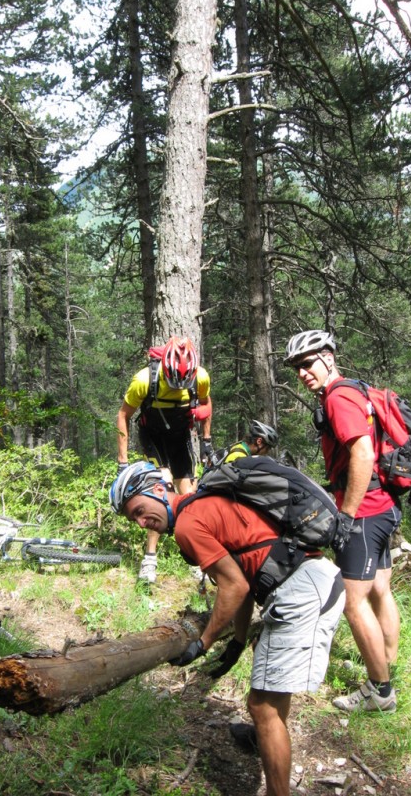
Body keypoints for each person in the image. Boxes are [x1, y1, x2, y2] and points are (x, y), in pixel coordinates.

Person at [109, 462, 344, 796]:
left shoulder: (189, 525)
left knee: (261, 706)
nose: (141, 521)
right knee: (268, 701)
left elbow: (233, 587)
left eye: (140, 510)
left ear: (159, 490)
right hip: (316, 579)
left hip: (301, 593)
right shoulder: (204, 506)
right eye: (134, 518)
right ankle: (266, 737)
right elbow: (243, 578)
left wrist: (202, 644)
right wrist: (235, 641)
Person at [285, 330, 401, 713]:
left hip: (365, 513)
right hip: (383, 506)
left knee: (352, 604)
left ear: (328, 357)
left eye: (307, 363)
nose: (302, 373)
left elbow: (363, 454)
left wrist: (346, 517)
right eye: (296, 368)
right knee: (379, 589)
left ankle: (380, 692)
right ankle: (386, 665)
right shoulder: (353, 390)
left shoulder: (338, 398)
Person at [116, 336, 212, 583]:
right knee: (162, 489)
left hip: (180, 435)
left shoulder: (200, 377)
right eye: (173, 381)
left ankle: (195, 553)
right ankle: (150, 559)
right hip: (153, 436)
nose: (179, 386)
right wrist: (123, 460)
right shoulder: (144, 380)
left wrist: (207, 440)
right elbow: (123, 415)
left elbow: (206, 403)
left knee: (189, 493)